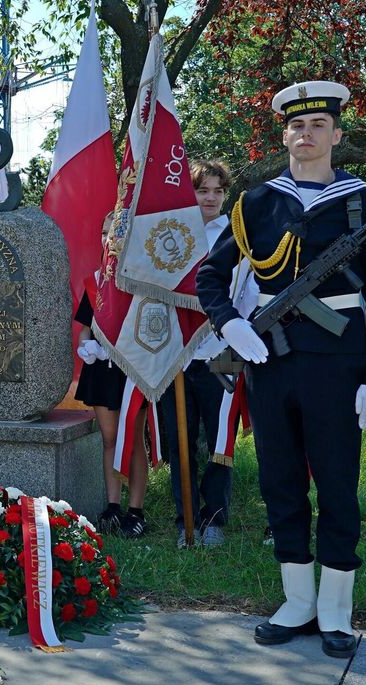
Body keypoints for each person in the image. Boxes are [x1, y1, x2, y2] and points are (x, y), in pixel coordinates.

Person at [196, 82, 366, 658]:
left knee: (337, 483)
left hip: (339, 366)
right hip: (271, 361)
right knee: (280, 481)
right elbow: (212, 277)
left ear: (337, 134)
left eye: (317, 125)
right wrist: (230, 324)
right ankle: (297, 601)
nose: (305, 134)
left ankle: (336, 608)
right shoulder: (256, 203)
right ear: (284, 133)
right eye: (295, 125)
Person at [160, 160, 256, 548]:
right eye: (203, 191)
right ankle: (187, 515)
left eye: (218, 191)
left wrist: (240, 334)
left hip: (224, 350)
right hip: (177, 354)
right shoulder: (171, 238)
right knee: (178, 439)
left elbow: (248, 292)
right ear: (190, 193)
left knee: (220, 441)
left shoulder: (237, 237)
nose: (212, 198)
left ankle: (214, 517)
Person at [75, 213, 148, 538]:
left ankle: (136, 511)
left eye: (116, 234)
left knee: (133, 441)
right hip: (101, 371)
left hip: (134, 371)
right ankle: (112, 506)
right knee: (109, 440)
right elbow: (85, 330)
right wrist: (87, 347)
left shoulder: (143, 280)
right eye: (105, 233)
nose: (109, 240)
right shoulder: (95, 282)